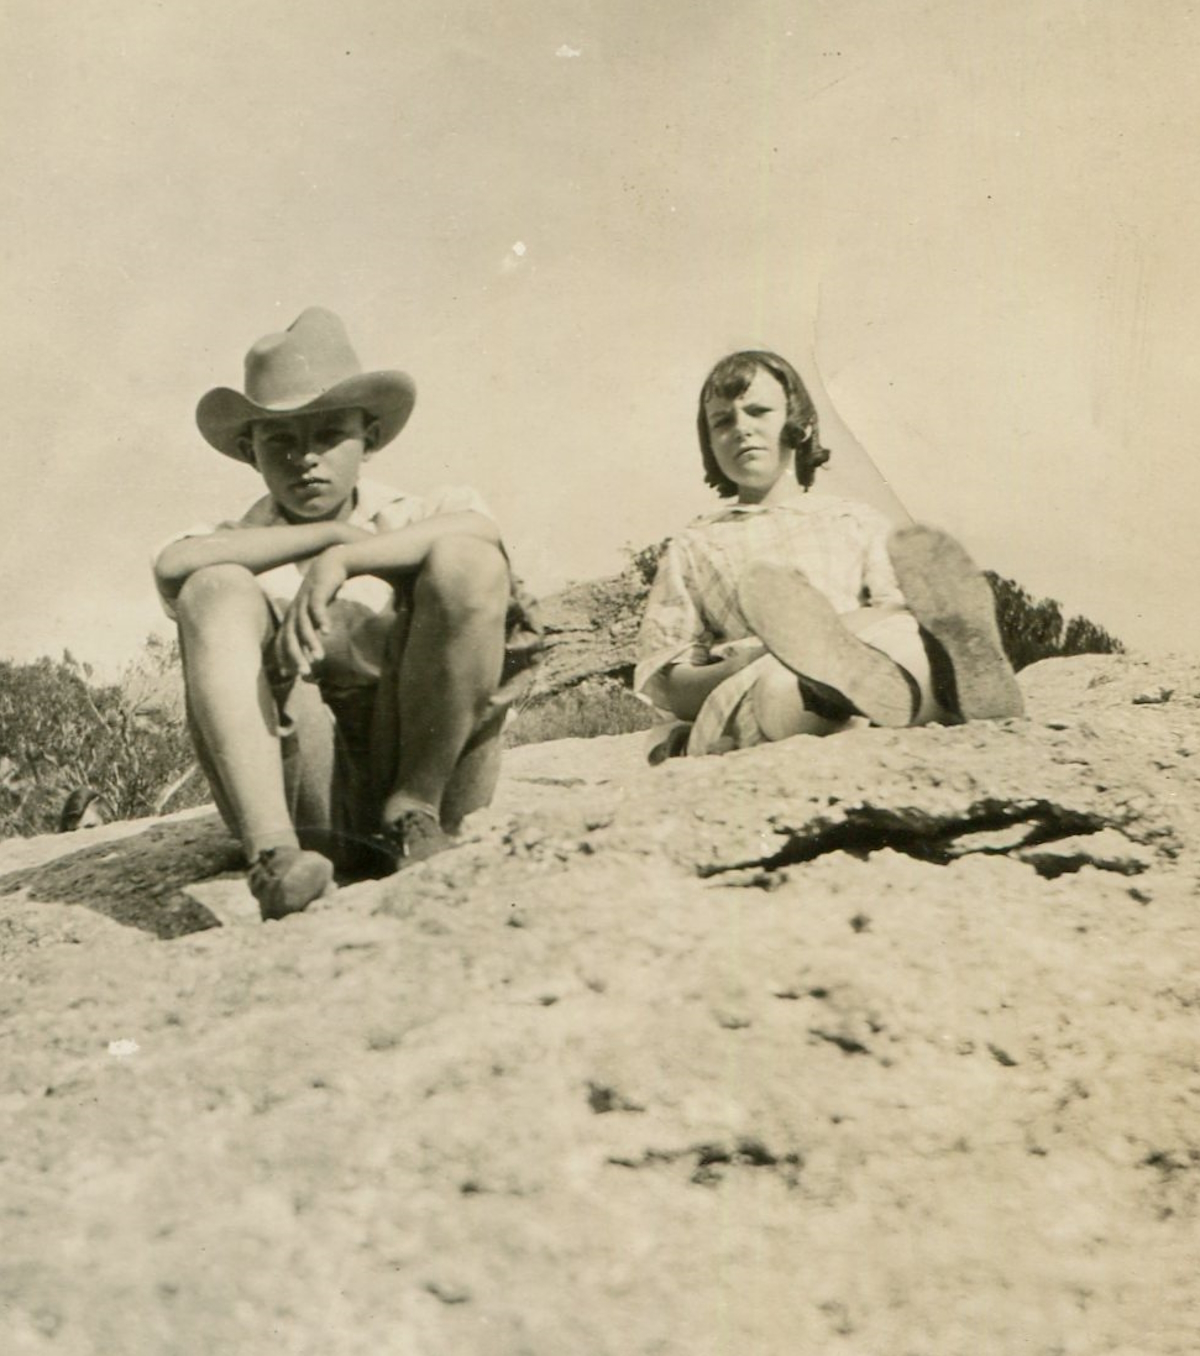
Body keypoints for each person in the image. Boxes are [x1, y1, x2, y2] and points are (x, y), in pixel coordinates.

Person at [153, 308, 539, 920]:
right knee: (213, 588)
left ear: (372, 437)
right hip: (309, 802)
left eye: (329, 434)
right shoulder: (238, 538)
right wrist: (327, 534)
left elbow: (479, 532)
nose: (306, 458)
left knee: (468, 562)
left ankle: (412, 809)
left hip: (432, 789)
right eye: (279, 440)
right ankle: (273, 860)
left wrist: (347, 560)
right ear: (250, 453)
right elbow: (175, 566)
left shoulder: (423, 511)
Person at [635, 349, 1022, 759]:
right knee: (780, 690)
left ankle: (962, 679)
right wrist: (764, 655)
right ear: (709, 444)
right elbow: (673, 686)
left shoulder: (852, 520)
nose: (741, 429)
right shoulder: (695, 545)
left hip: (874, 662)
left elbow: (895, 612)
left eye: (758, 411)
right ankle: (838, 688)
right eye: (723, 421)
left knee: (905, 638)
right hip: (759, 681)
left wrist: (843, 631)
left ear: (799, 425)